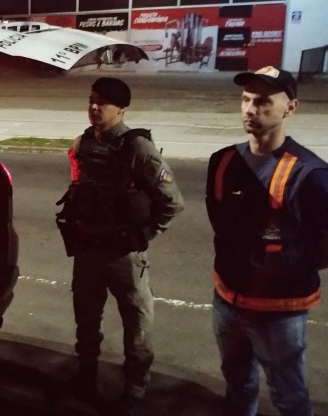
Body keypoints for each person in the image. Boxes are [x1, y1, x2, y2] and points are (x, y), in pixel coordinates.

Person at [57, 77, 184, 416]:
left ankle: (135, 389)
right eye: (92, 100)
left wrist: (145, 235)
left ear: (122, 108)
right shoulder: (83, 143)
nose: (95, 107)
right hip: (88, 250)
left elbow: (172, 201)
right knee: (86, 319)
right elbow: (78, 187)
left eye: (104, 102)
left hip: (123, 255)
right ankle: (86, 376)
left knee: (136, 324)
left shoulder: (137, 147)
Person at [206, 66, 328, 416]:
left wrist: (289, 264)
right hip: (227, 302)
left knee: (289, 395)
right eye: (245, 100)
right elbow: (221, 226)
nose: (250, 109)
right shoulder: (223, 162)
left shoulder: (312, 174)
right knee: (237, 380)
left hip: (279, 314)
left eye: (262, 102)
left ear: (290, 107)